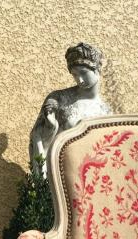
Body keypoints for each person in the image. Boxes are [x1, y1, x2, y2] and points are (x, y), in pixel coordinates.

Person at [29, 42, 112, 176]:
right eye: (74, 74)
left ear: (97, 69)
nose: (79, 80)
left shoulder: (106, 111)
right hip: (61, 176)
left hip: (91, 178)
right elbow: (37, 139)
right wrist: (50, 128)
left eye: (83, 73)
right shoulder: (58, 99)